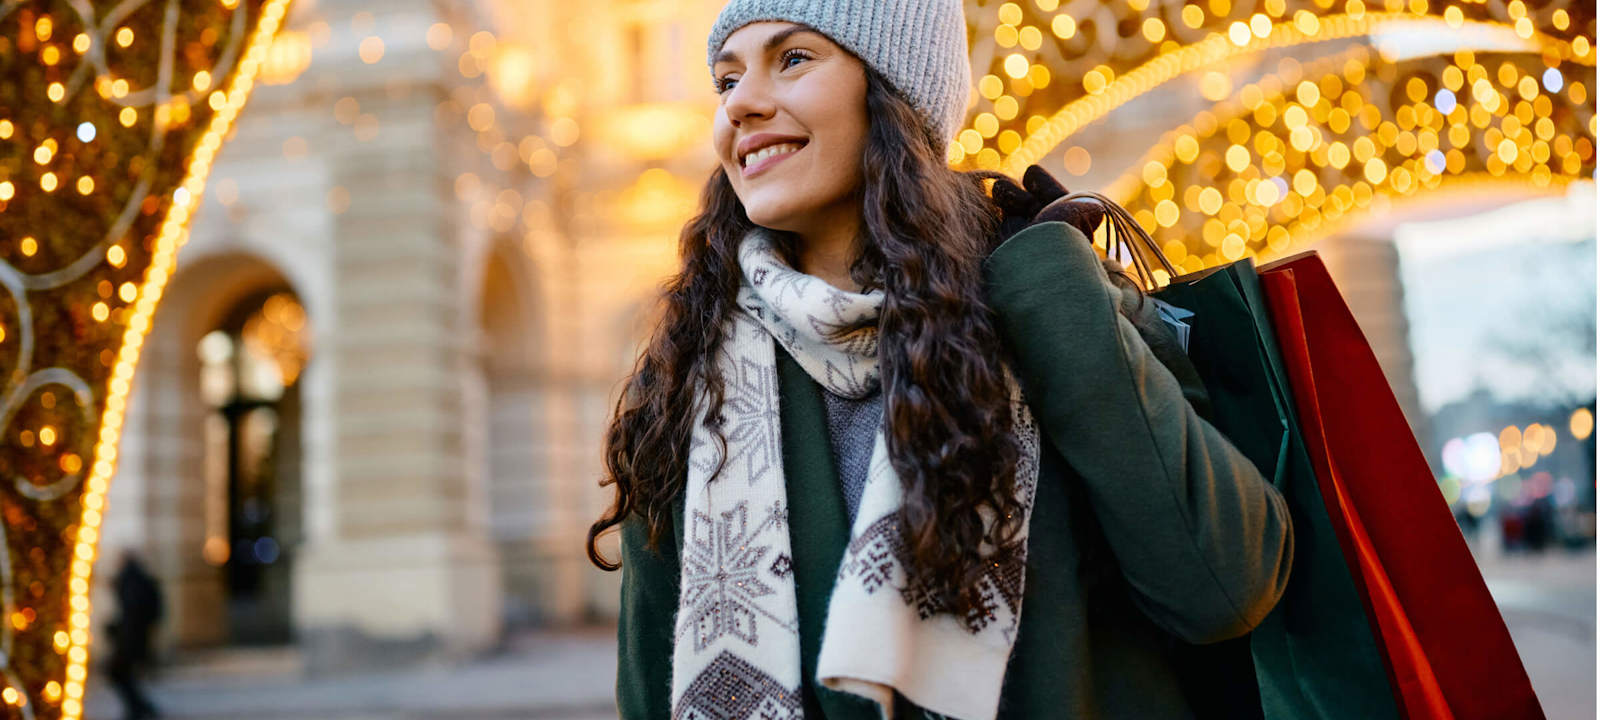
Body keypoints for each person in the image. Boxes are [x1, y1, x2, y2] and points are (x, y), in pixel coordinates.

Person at [585, 1, 1294, 718]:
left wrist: (1056, 291)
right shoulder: (690, 379)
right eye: (726, 80)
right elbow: (651, 693)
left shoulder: (1041, 298)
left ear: (896, 92)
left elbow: (1224, 590)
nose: (741, 104)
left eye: (793, 59)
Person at [106, 549, 163, 720]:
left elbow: (133, 612)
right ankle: (141, 707)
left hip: (129, 638)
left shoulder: (130, 581)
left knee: (118, 673)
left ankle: (139, 708)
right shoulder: (141, 579)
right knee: (124, 675)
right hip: (135, 636)